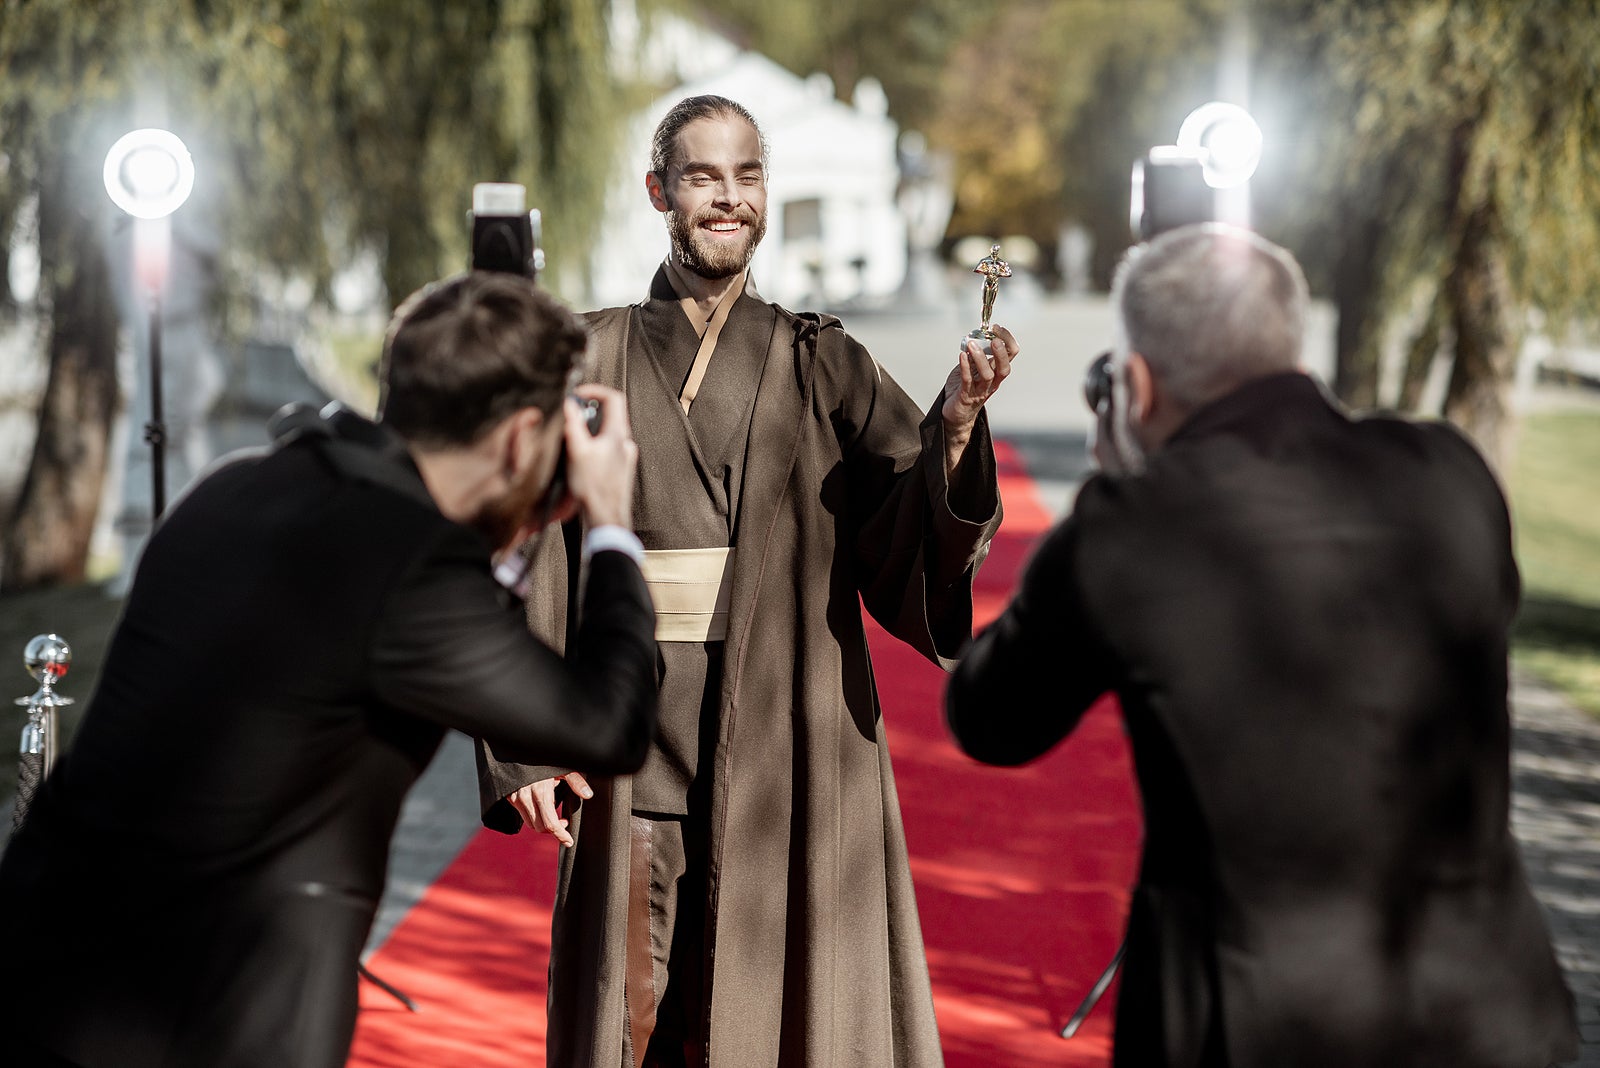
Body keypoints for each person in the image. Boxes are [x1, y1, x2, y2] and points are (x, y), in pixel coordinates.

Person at [945, 223, 1580, 1068]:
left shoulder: (1132, 529)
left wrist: (1116, 477)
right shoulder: (1452, 474)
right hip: (1491, 1016)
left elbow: (991, 717)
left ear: (1134, 382)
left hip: (1250, 1026)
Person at [475, 94, 1016, 1067]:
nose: (727, 198)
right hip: (630, 750)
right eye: (701, 176)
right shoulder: (587, 357)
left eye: (747, 175)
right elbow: (519, 542)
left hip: (789, 745)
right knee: (635, 1024)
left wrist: (958, 424)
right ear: (659, 191)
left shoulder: (826, 365)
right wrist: (520, 745)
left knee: (778, 1020)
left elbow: (904, 531)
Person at [0, 272, 659, 1068]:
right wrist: (612, 524)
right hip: (213, 1019)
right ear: (522, 438)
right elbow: (607, 724)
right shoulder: (411, 568)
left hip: (39, 964)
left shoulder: (237, 487)